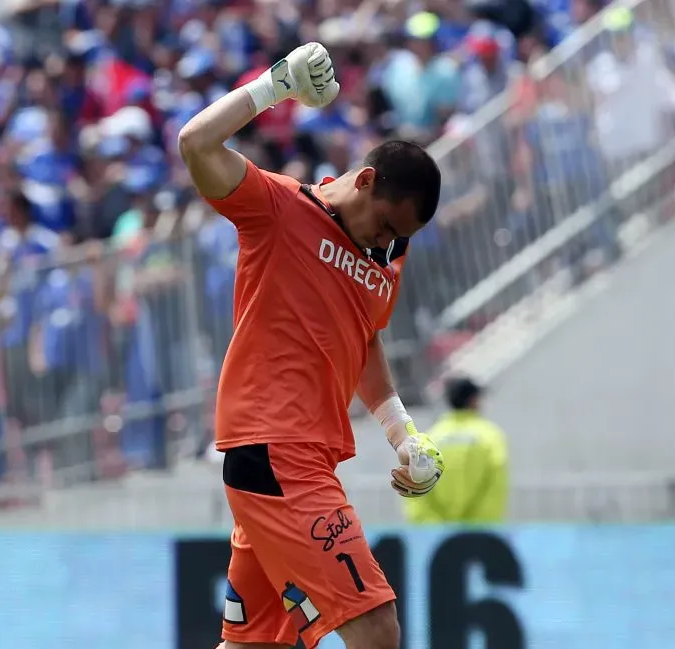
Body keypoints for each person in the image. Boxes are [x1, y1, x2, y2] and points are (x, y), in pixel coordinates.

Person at [177, 43, 446, 649]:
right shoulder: (279, 208)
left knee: (253, 646)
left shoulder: (383, 259)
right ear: (367, 180)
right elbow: (195, 143)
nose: (388, 243)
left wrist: (403, 434)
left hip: (302, 458)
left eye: (400, 238)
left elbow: (363, 340)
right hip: (276, 450)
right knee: (376, 627)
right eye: (386, 225)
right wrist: (275, 87)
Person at [403, 376, 509, 524]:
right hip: (478, 534)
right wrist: (481, 525)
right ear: (473, 400)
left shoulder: (431, 437)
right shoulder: (490, 436)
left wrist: (430, 526)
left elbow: (416, 486)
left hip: (437, 536)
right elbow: (495, 485)